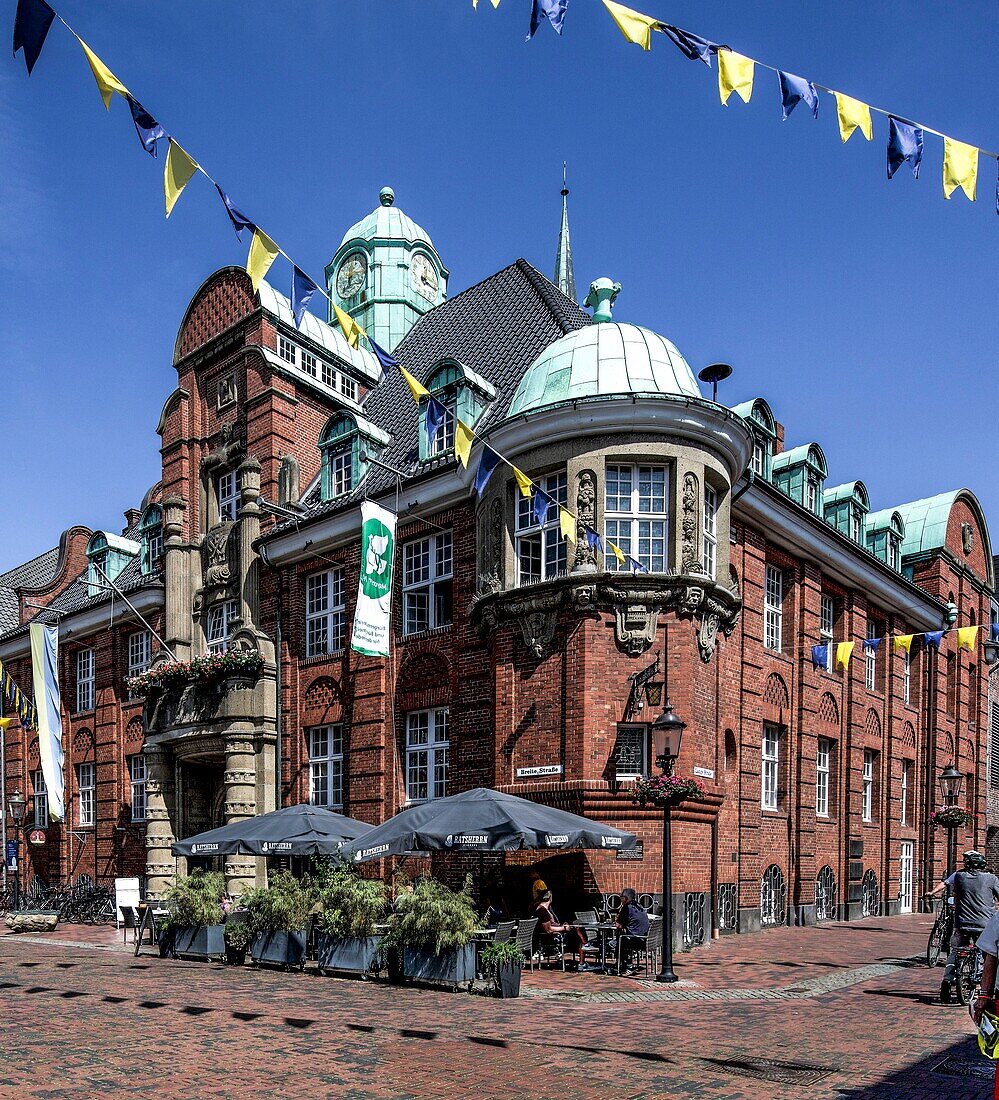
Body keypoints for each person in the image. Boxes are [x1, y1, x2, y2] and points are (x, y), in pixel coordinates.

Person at [928, 850, 999, 1004]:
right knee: (988, 953)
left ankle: (947, 980)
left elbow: (955, 894)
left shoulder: (960, 876)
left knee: (956, 950)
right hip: (984, 924)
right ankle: (980, 980)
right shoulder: (991, 879)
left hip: (962, 923)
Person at [533, 889, 586, 965]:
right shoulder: (542, 911)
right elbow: (548, 930)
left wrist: (562, 926)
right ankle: (582, 960)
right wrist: (563, 928)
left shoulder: (548, 909)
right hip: (551, 936)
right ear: (550, 898)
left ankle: (585, 947)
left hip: (557, 931)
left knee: (577, 923)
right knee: (578, 930)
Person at [615, 888, 651, 976]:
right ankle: (625, 964)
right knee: (621, 939)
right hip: (645, 940)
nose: (620, 899)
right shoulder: (639, 906)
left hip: (635, 940)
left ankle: (625, 966)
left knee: (618, 942)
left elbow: (618, 925)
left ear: (626, 898)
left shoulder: (627, 907)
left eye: (621, 897)